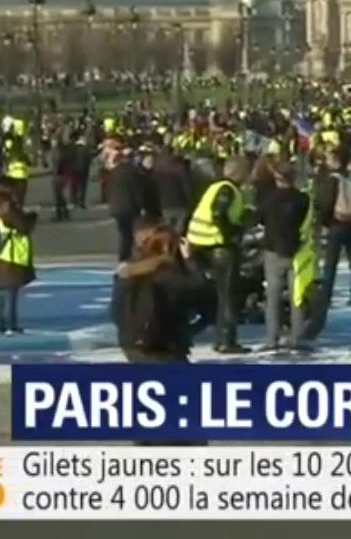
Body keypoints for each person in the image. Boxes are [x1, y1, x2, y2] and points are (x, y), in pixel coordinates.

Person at [109, 221, 209, 447]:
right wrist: (191, 260)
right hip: (162, 347)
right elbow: (199, 288)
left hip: (133, 345)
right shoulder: (164, 274)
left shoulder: (127, 270)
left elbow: (114, 311)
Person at [186, 156, 250, 353]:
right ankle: (226, 340)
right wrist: (231, 234)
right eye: (246, 171)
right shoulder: (227, 189)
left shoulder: (216, 187)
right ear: (238, 172)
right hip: (218, 245)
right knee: (228, 295)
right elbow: (218, 213)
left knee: (221, 293)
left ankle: (220, 336)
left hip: (200, 243)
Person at [255, 161, 311, 352]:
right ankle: (296, 337)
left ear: (276, 177)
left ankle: (272, 338)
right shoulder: (303, 199)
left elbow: (259, 219)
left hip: (273, 250)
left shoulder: (267, 199)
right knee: (297, 296)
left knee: (273, 296)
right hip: (297, 251)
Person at [314, 148, 351, 306]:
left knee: (331, 263)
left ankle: (326, 296)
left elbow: (325, 203)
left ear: (335, 160)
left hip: (336, 224)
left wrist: (323, 221)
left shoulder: (331, 180)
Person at [0, 188, 37, 335]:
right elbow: (25, 226)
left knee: (0, 294)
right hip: (10, 260)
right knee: (11, 296)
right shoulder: (9, 218)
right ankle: (11, 325)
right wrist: (31, 214)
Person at [107, 147, 147, 262]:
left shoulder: (114, 171)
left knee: (124, 233)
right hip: (130, 207)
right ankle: (129, 257)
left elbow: (109, 188)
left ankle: (124, 257)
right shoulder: (133, 172)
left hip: (116, 207)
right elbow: (138, 191)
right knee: (131, 234)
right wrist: (141, 206)